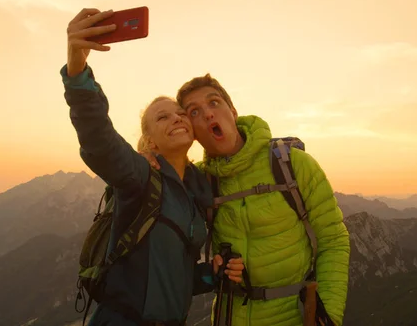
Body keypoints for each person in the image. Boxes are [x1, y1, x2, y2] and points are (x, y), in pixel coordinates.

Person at [60, 8, 245, 326]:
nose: (176, 118)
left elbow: (169, 278)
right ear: (151, 142)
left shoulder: (196, 191)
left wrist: (212, 274)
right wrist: (78, 73)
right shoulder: (140, 176)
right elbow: (99, 140)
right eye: (163, 117)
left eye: (180, 113)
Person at [145, 74, 351, 326]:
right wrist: (148, 161)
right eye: (194, 112)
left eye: (214, 103)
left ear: (232, 111)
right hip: (229, 316)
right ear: (193, 132)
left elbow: (333, 240)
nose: (209, 114)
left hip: (293, 316)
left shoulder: (293, 165)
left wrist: (325, 316)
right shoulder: (199, 181)